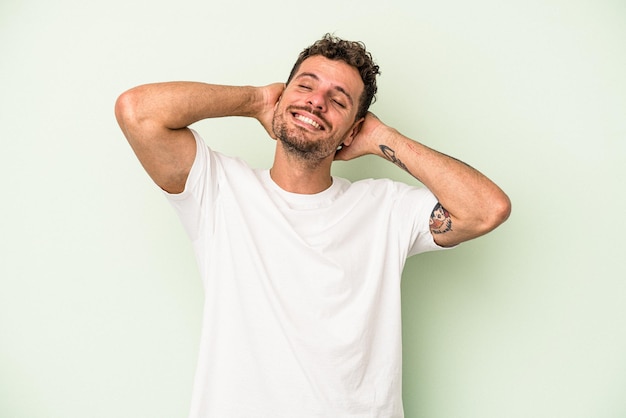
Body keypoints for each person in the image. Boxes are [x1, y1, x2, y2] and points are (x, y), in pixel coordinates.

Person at [115, 34, 511, 418]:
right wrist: (255, 100)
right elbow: (137, 111)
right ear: (283, 96)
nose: (316, 101)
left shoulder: (385, 207)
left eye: (338, 101)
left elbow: (486, 209)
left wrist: (381, 137)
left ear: (353, 130)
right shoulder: (218, 189)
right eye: (305, 86)